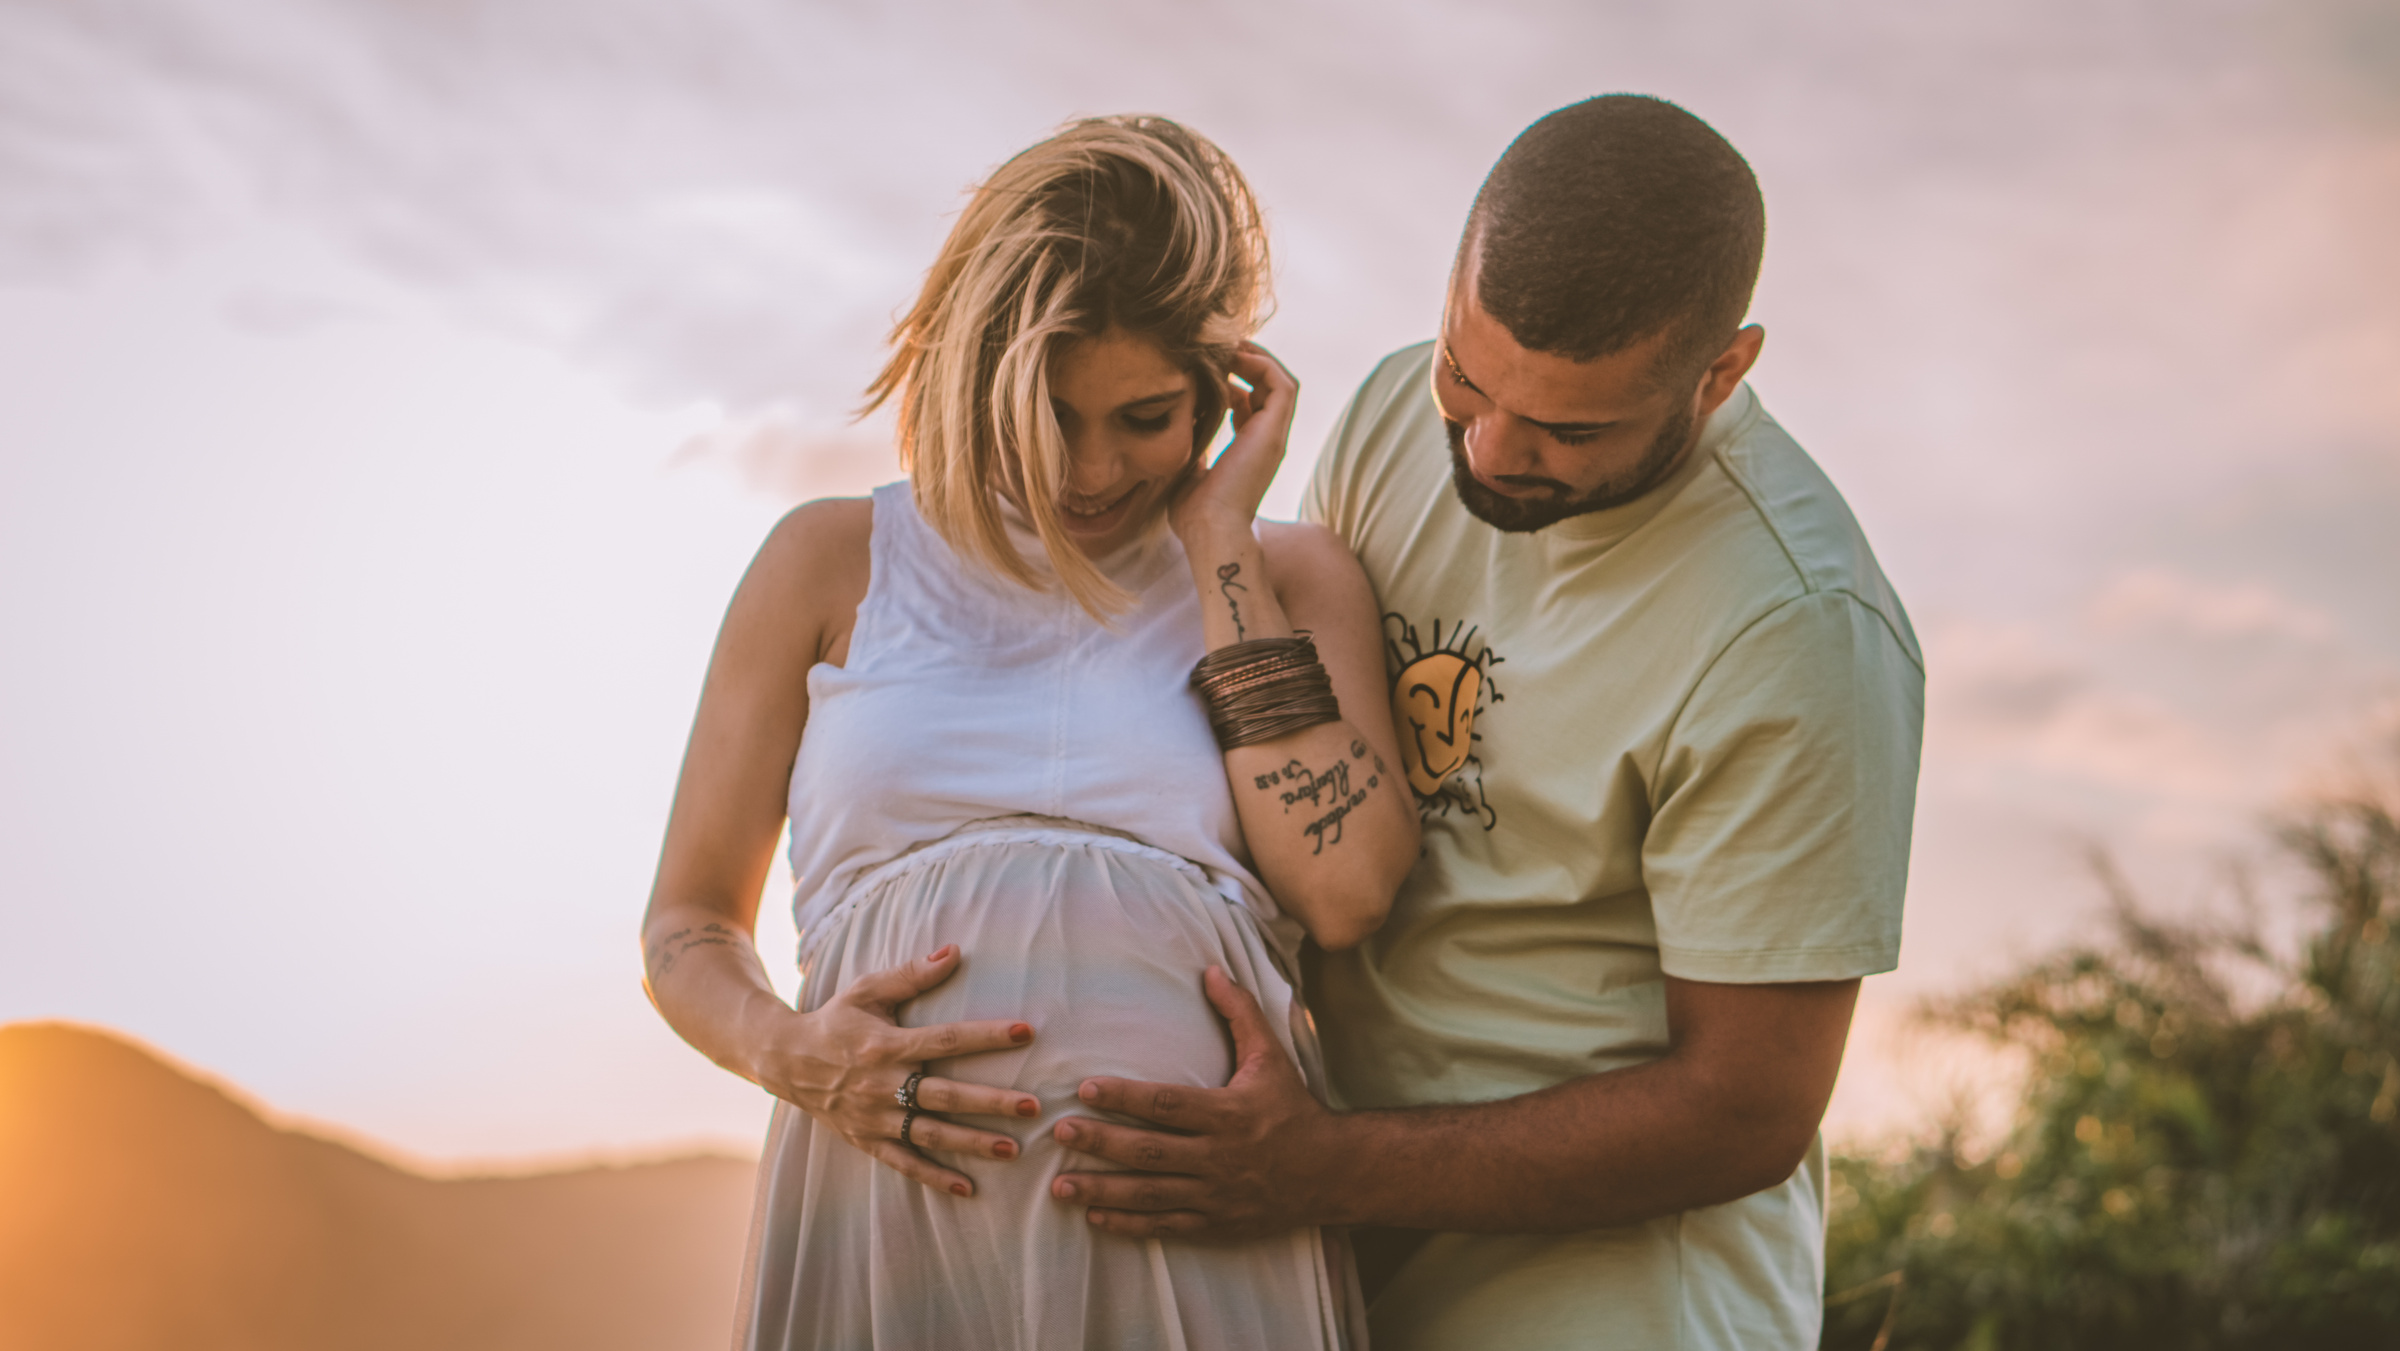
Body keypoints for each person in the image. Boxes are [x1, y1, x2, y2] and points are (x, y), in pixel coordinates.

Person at [1046, 95, 1927, 1350]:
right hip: (1326, 1242)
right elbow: (1302, 767)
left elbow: (1744, 1109)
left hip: (1606, 1298)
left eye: (1573, 427)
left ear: (1722, 370)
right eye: (1471, 376)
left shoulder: (1797, 626)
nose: (1493, 449)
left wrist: (1316, 1167)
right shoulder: (1405, 412)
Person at [637, 115, 1417, 1349]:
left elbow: (1345, 891)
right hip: (889, 1225)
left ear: (1222, 391)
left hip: (1195, 1238)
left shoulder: (1289, 580)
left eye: (1146, 418)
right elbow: (685, 925)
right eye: (1049, 414)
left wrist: (1219, 542)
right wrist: (791, 1050)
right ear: (969, 376)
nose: (1091, 469)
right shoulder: (830, 562)